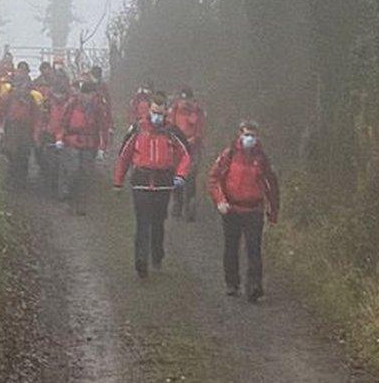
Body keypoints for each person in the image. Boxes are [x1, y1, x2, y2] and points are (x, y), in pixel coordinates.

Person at [113, 93, 191, 278]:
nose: (158, 117)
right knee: (142, 223)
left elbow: (185, 156)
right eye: (155, 112)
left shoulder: (173, 133)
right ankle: (141, 260)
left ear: (166, 113)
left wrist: (181, 175)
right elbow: (124, 157)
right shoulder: (137, 129)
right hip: (141, 181)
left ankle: (157, 254)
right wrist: (118, 181)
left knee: (158, 222)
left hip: (164, 184)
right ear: (150, 111)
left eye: (161, 113)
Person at [207, 121, 280, 303]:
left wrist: (273, 211)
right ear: (239, 135)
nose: (250, 139)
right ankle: (232, 283)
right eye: (247, 134)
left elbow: (271, 186)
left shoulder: (261, 158)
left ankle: (254, 285)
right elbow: (213, 179)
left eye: (253, 135)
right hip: (231, 209)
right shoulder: (229, 155)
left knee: (254, 248)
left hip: (254, 209)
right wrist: (220, 201)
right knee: (231, 247)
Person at [54, 80, 110, 215]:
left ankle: (81, 204)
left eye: (91, 94)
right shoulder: (72, 104)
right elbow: (63, 123)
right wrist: (59, 139)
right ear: (83, 93)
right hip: (72, 141)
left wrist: (102, 147)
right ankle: (67, 198)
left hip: (90, 144)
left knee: (85, 174)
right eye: (88, 94)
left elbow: (103, 128)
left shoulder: (97, 108)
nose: (90, 97)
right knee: (72, 170)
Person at [168, 87, 207, 221]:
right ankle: (177, 203)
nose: (185, 102)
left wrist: (194, 138)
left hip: (193, 149)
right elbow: (169, 126)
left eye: (187, 99)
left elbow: (201, 129)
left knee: (191, 177)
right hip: (177, 148)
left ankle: (190, 204)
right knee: (177, 174)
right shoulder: (174, 110)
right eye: (183, 98)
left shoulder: (198, 112)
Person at [0, 65, 41, 188]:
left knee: (24, 154)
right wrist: (2, 127)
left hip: (25, 129)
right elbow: (2, 111)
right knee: (12, 153)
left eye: (24, 87)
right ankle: (12, 179)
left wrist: (35, 133)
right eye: (19, 86)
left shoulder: (31, 100)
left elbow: (36, 117)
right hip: (12, 127)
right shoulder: (10, 97)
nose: (22, 89)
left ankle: (21, 180)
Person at [36, 80, 70, 193]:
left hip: (65, 136)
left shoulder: (70, 104)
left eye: (62, 93)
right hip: (48, 135)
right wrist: (39, 134)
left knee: (64, 163)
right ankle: (48, 183)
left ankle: (61, 187)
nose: (59, 96)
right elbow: (41, 119)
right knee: (47, 161)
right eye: (57, 93)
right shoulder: (47, 103)